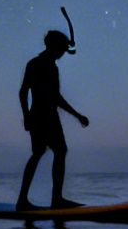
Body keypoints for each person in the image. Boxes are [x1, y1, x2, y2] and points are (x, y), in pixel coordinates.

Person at [17, 30, 89, 210]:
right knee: (57, 151)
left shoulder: (40, 64)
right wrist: (77, 115)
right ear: (53, 47)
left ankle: (26, 200)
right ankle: (53, 200)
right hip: (44, 117)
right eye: (61, 49)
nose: (62, 54)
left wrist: (27, 115)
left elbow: (32, 93)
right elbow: (29, 92)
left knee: (41, 152)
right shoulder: (43, 65)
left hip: (42, 115)